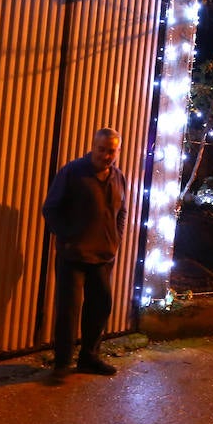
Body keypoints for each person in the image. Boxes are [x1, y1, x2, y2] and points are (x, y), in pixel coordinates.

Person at [41, 127, 127, 380]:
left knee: (100, 307)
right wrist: (67, 237)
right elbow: (50, 208)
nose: (106, 155)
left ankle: (89, 358)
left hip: (103, 256)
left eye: (111, 151)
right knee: (69, 311)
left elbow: (121, 213)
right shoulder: (73, 172)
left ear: (117, 151)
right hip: (73, 256)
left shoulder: (119, 177)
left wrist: (116, 239)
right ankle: (62, 364)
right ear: (93, 147)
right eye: (101, 150)